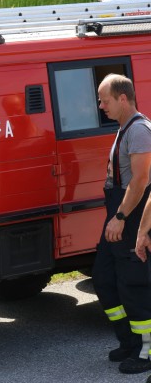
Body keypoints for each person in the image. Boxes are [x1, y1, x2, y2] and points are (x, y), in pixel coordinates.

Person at [93, 74, 151, 375]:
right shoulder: (123, 129)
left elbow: (141, 180)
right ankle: (128, 341)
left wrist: (120, 217)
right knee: (103, 278)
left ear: (123, 98)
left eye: (105, 99)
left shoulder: (139, 130)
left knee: (135, 286)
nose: (101, 105)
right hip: (119, 216)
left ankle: (146, 351)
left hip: (130, 217)